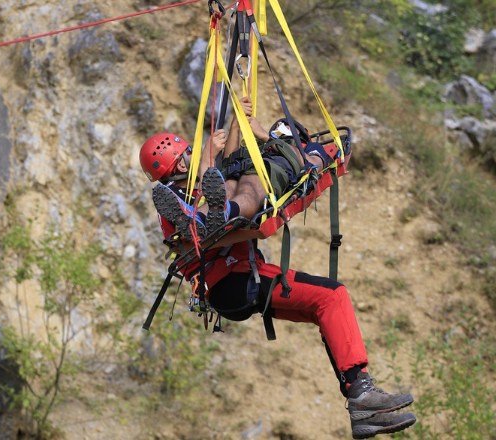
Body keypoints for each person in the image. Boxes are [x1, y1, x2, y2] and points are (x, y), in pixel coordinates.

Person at [139, 125, 417, 439]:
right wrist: (259, 220)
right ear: (180, 163)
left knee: (322, 305)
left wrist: (236, 125)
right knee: (332, 296)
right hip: (236, 278)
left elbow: (227, 175)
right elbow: (227, 205)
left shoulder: (184, 201)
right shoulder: (182, 200)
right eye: (187, 153)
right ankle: (362, 396)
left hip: (233, 284)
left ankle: (361, 402)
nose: (192, 155)